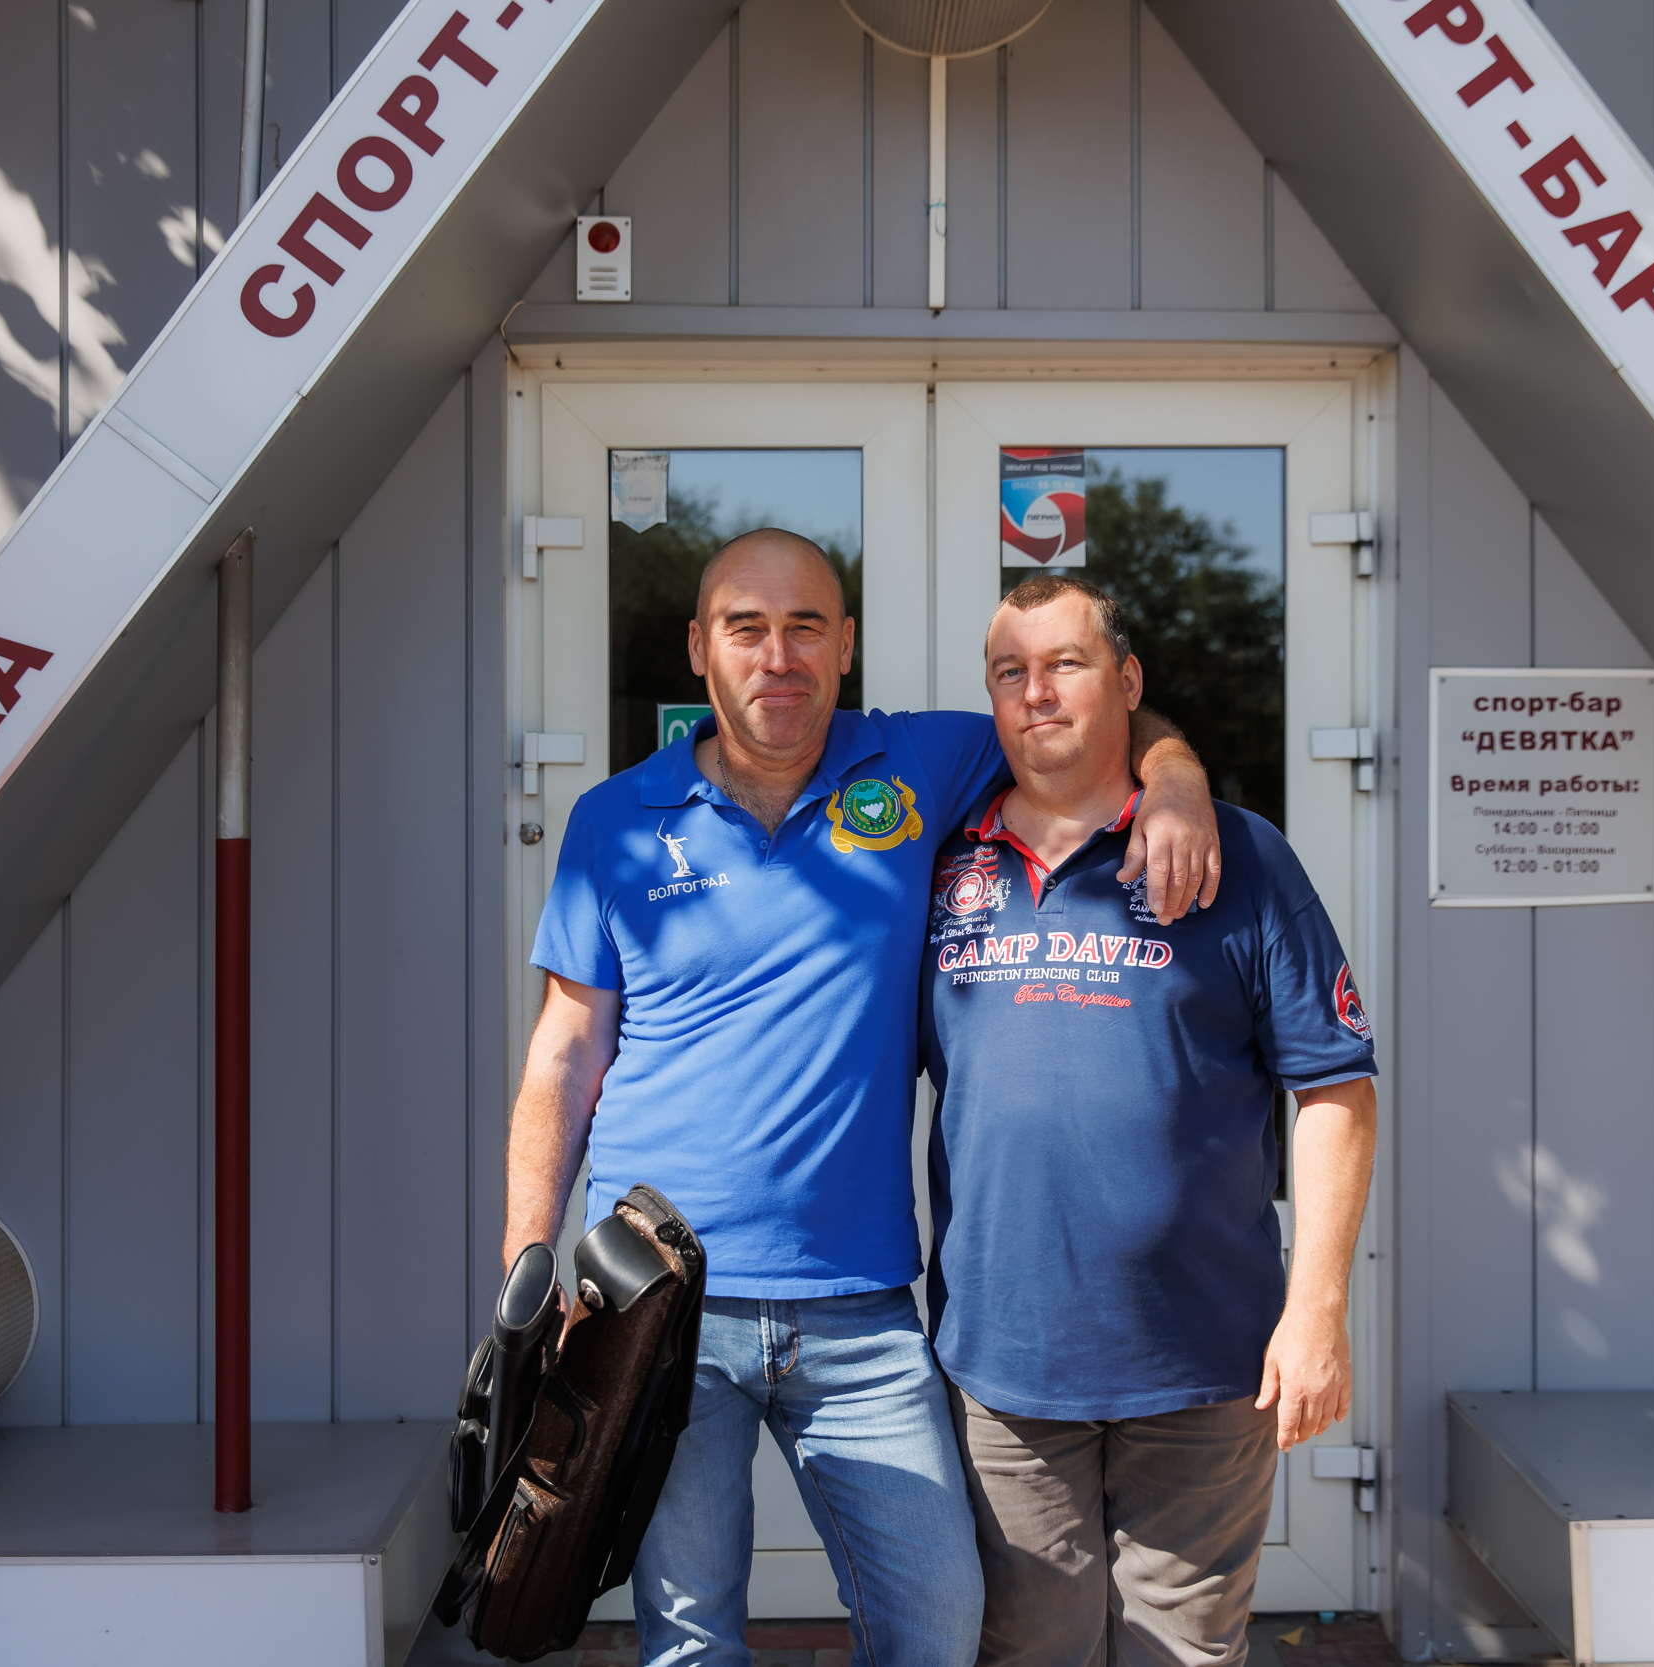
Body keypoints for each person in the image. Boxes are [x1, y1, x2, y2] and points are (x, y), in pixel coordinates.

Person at [507, 530, 1223, 1667]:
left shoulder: (920, 762)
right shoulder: (614, 820)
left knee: (936, 1623)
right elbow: (564, 1052)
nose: (776, 655)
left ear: (845, 645)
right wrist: (531, 1262)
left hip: (858, 1308)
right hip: (657, 1302)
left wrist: (1177, 779)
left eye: (805, 627)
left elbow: (1079, 721)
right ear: (699, 647)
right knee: (689, 1639)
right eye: (746, 627)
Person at [922, 573, 1378, 1667]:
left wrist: (1317, 1309)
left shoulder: (1239, 856)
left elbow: (1335, 1087)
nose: (1036, 692)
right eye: (1009, 671)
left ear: (1127, 681)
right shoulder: (935, 861)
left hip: (1206, 1354)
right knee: (1028, 1649)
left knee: (1184, 1650)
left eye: (1065, 664)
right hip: (1005, 1357)